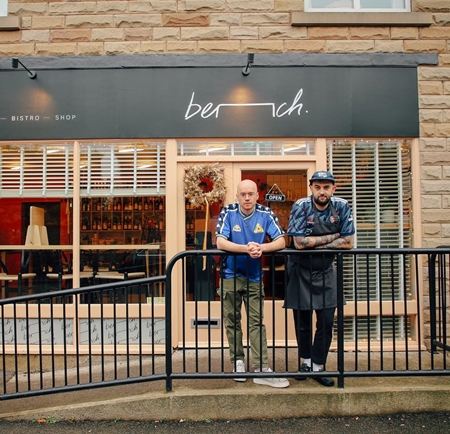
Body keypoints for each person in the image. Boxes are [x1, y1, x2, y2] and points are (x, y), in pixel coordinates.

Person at [215, 179, 289, 388]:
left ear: (257, 196)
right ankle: (238, 362)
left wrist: (261, 248)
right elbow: (220, 241)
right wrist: (247, 249)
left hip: (254, 277)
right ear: (237, 196)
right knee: (233, 321)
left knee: (256, 322)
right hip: (229, 275)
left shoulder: (265, 214)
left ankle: (260, 368)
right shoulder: (228, 212)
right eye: (243, 194)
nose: (247, 198)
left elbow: (281, 240)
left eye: (251, 194)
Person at [285, 171, 355, 387]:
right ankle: (305, 363)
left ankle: (318, 366)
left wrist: (314, 242)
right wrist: (335, 237)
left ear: (333, 188)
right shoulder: (301, 206)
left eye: (326, 187)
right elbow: (298, 243)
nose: (322, 191)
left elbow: (349, 242)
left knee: (325, 321)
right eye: (318, 187)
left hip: (326, 271)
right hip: (300, 270)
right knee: (302, 322)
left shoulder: (342, 206)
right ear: (311, 188)